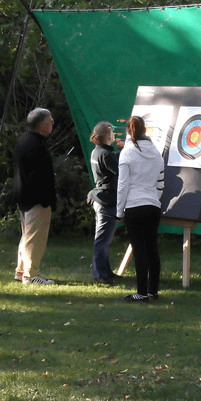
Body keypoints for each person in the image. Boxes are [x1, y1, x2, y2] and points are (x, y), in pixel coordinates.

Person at [116, 116, 164, 302]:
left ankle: (141, 292)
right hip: (153, 205)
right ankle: (153, 291)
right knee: (152, 248)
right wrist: (154, 199)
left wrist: (119, 212)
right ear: (145, 130)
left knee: (139, 250)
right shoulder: (156, 152)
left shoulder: (127, 152)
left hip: (134, 206)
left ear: (129, 131)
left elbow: (123, 185)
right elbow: (160, 183)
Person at [13, 108, 57, 285]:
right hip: (36, 197)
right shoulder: (35, 144)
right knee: (35, 237)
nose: (53, 123)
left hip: (24, 194)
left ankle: (21, 270)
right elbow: (37, 175)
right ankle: (31, 275)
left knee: (28, 235)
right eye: (50, 120)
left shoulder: (25, 139)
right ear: (41, 125)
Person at [87, 121, 119, 284]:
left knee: (103, 238)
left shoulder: (97, 151)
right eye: (112, 133)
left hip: (100, 198)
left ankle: (105, 271)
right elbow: (121, 170)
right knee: (102, 239)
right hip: (106, 200)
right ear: (107, 136)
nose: (113, 136)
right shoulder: (105, 155)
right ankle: (99, 274)